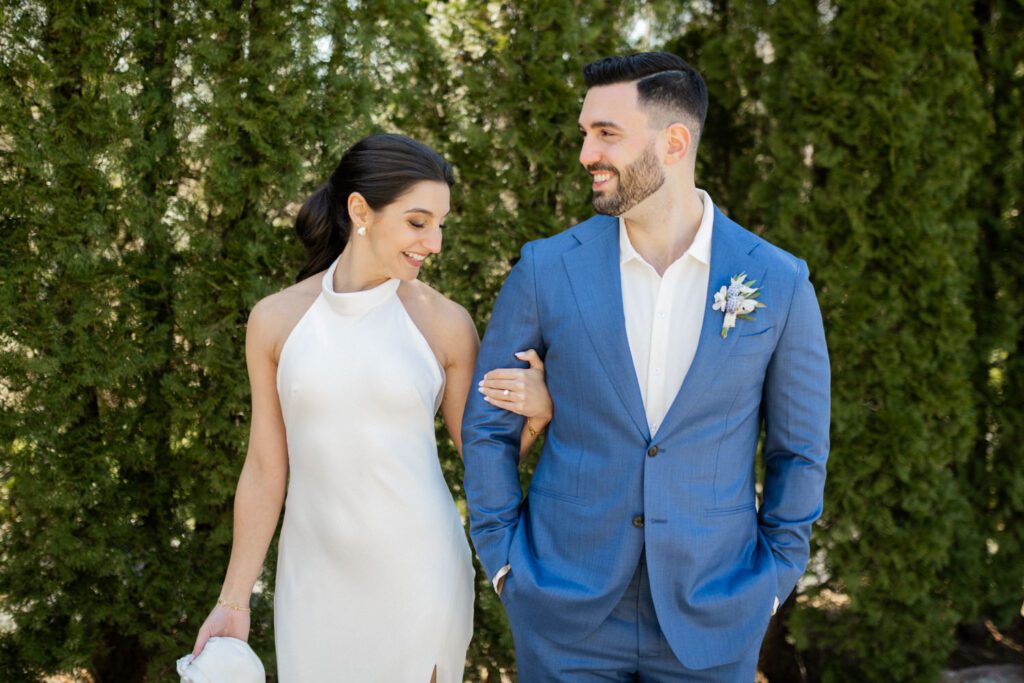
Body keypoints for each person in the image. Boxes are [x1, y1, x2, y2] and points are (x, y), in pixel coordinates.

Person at [463, 52, 831, 681]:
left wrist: (773, 581)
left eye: (606, 134)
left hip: (714, 609)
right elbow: (488, 425)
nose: (586, 154)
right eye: (585, 133)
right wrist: (503, 562)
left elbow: (799, 452)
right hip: (564, 609)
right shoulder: (546, 269)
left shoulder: (778, 280)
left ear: (674, 143)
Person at [190, 133, 552, 682]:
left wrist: (538, 416)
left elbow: (483, 459)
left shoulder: (445, 324)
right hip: (312, 581)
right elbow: (265, 468)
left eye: (441, 225)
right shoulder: (275, 320)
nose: (434, 242)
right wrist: (234, 600)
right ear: (360, 209)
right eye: (417, 222)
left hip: (420, 575)